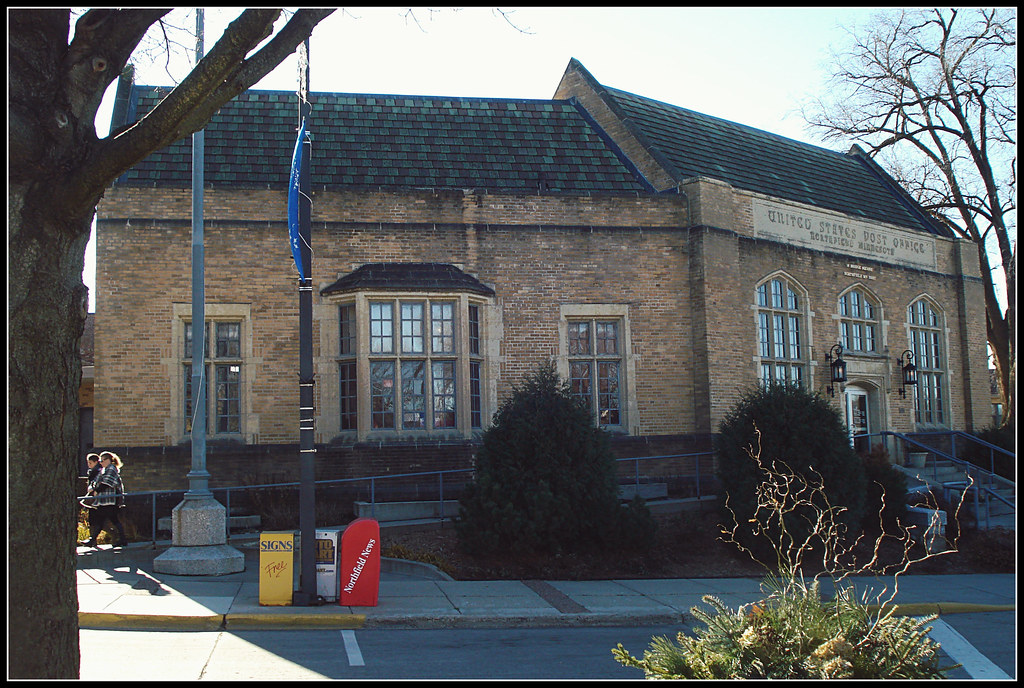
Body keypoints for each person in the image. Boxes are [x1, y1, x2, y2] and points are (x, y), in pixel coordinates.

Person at [80, 451, 127, 547]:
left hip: (110, 500)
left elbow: (107, 483)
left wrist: (97, 490)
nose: (100, 463)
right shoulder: (104, 470)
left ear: (108, 460)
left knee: (108, 520)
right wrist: (93, 487)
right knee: (106, 520)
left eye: (102, 460)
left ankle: (93, 540)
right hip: (104, 500)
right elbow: (95, 481)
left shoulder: (111, 469)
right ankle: (121, 539)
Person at [77, 453, 102, 547]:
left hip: (95, 499)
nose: (88, 465)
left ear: (96, 462)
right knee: (96, 519)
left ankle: (92, 540)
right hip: (95, 499)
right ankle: (92, 539)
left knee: (95, 519)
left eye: (90, 463)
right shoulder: (95, 471)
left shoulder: (96, 472)